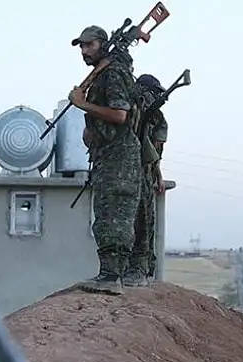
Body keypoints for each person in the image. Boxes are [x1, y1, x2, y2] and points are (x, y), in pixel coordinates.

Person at [68, 25, 142, 295]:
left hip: (119, 156)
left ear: (103, 43)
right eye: (81, 46)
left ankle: (112, 277)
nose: (84, 51)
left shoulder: (113, 73)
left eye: (89, 45)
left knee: (114, 215)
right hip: (108, 154)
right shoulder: (102, 75)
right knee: (106, 213)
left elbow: (120, 114)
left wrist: (82, 104)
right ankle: (109, 274)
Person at [123, 74, 168, 287]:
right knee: (132, 221)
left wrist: (158, 175)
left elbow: (154, 151)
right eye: (152, 92)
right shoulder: (132, 109)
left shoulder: (155, 117)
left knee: (145, 221)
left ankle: (143, 267)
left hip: (145, 173)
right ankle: (131, 267)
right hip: (127, 171)